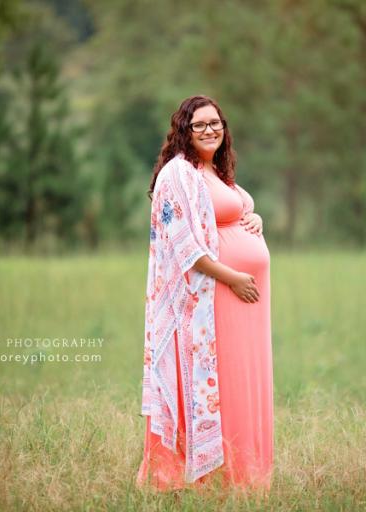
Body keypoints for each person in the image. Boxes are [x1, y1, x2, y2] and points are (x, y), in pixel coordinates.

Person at [137, 95, 273, 493]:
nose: (210, 130)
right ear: (183, 130)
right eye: (199, 125)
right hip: (212, 301)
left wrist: (254, 215)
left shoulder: (215, 171)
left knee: (242, 384)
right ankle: (210, 479)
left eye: (216, 123)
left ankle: (245, 477)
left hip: (242, 302)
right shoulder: (178, 174)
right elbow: (186, 249)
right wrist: (233, 277)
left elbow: (233, 209)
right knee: (218, 387)